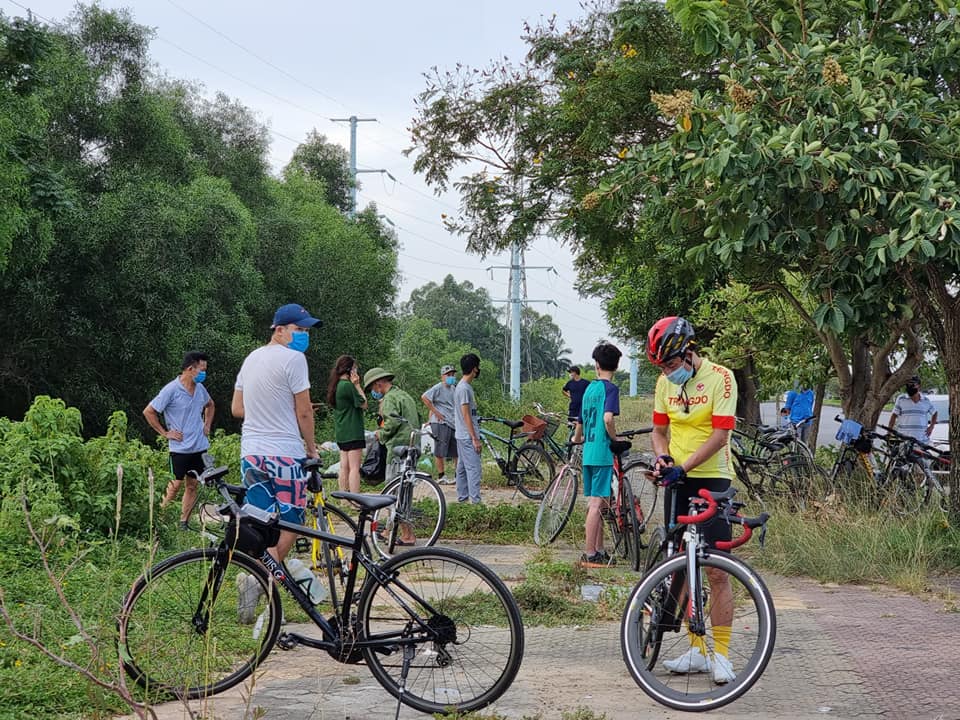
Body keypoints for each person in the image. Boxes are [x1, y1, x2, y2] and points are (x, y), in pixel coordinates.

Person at [646, 315, 738, 685]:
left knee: (716, 570)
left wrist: (683, 468)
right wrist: (662, 457)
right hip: (677, 477)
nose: (667, 372)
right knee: (681, 568)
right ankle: (698, 648)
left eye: (670, 364)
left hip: (712, 478)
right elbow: (658, 430)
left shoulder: (721, 377)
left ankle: (724, 654)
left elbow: (719, 436)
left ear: (688, 352)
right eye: (661, 367)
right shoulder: (663, 382)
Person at [231, 303, 321, 578]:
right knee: (292, 519)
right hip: (284, 453)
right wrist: (312, 448)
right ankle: (258, 578)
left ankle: (258, 575)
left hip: (251, 453)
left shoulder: (251, 359)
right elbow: (304, 411)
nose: (304, 335)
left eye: (307, 330)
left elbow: (236, 408)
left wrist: (267, 410)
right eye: (299, 329)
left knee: (263, 520)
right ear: (279, 330)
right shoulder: (294, 359)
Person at [143, 351, 215, 530]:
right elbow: (149, 411)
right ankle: (157, 518)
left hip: (199, 446)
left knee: (192, 485)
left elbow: (210, 405)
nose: (204, 373)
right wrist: (164, 433)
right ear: (190, 369)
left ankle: (184, 522)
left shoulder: (200, 389)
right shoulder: (171, 390)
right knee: (175, 484)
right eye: (201, 369)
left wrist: (207, 425)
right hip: (179, 448)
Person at [574, 343, 621, 567]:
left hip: (588, 452)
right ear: (617, 365)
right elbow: (608, 418)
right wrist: (615, 439)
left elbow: (580, 421)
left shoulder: (589, 390)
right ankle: (590, 554)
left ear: (597, 365)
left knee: (599, 504)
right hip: (602, 452)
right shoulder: (610, 389)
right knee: (596, 505)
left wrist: (576, 439)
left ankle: (600, 550)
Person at [364, 367, 419, 544]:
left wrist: (381, 433)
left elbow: (391, 422)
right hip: (412, 446)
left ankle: (404, 534)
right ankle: (392, 531)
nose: (374, 392)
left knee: (393, 491)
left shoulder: (389, 399)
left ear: (378, 384)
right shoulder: (405, 396)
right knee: (405, 492)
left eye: (373, 388)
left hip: (397, 449)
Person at [326, 355, 368, 493]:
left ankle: (343, 496)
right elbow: (364, 403)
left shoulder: (337, 385)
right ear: (350, 370)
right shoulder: (348, 386)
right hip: (353, 431)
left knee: (344, 466)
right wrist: (357, 385)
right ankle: (355, 498)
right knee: (355, 467)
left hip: (342, 432)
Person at [421, 364, 459, 485]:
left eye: (453, 375)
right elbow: (425, 398)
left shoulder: (454, 388)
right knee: (440, 450)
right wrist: (436, 414)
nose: (451, 377)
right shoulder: (438, 387)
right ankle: (441, 475)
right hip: (440, 422)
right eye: (448, 375)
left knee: (456, 451)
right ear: (442, 376)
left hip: (452, 422)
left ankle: (458, 475)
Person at [453, 353, 483, 505]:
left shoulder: (463, 387)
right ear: (474, 369)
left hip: (461, 435)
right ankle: (476, 504)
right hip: (467, 436)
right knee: (473, 470)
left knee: (463, 469)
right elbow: (466, 415)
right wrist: (474, 438)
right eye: (478, 366)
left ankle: (462, 501)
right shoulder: (464, 389)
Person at [889, 375, 938, 443]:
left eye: (912, 384)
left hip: (922, 441)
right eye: (908, 384)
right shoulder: (901, 399)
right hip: (904, 442)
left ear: (918, 386)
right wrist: (889, 432)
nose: (909, 386)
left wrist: (931, 427)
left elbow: (935, 413)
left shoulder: (926, 401)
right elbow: (893, 416)